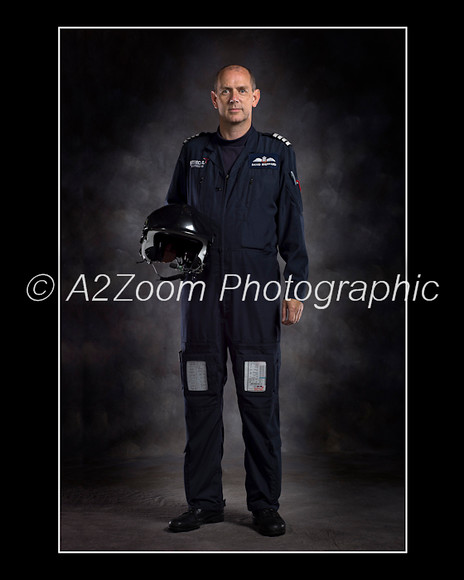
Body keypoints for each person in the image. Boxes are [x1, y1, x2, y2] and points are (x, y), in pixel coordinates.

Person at [166, 65, 309, 536]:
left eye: (242, 90)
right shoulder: (193, 153)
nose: (234, 98)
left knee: (258, 402)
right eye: (225, 91)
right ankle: (204, 503)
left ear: (256, 97)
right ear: (213, 99)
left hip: (256, 300)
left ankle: (265, 505)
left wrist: (296, 287)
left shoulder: (277, 154)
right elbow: (172, 221)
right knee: (201, 400)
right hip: (202, 300)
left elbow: (292, 230)